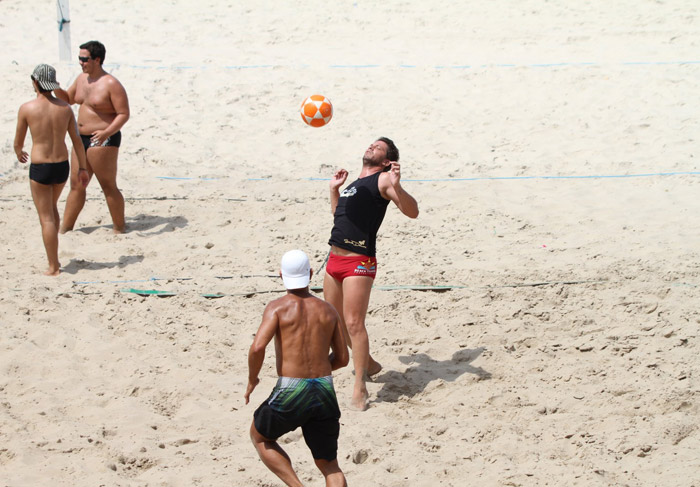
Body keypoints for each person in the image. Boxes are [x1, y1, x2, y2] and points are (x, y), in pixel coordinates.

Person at [323, 137, 419, 411]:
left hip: (359, 262)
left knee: (354, 324)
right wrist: (334, 191)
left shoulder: (385, 180)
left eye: (378, 148)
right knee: (336, 324)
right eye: (371, 145)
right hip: (334, 261)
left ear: (387, 160)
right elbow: (340, 219)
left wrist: (398, 185)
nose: (371, 147)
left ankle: (360, 387)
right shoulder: (353, 186)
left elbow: (413, 213)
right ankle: (372, 364)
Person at [245, 250, 349, 487]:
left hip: (292, 388)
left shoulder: (277, 308)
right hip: (324, 389)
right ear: (311, 274)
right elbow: (343, 359)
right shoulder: (328, 310)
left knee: (260, 437)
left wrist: (253, 379)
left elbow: (257, 347)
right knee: (329, 464)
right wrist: (319, 372)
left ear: (281, 275)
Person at [14, 64, 89, 276]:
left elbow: (18, 143)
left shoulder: (27, 108)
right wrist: (82, 167)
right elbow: (77, 142)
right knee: (53, 208)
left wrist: (19, 153)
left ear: (36, 82)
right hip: (62, 166)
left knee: (46, 217)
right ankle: (54, 257)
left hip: (41, 166)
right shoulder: (65, 108)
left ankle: (53, 266)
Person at [54, 40, 130, 233]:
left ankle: (119, 228)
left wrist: (106, 132)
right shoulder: (81, 79)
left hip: (103, 139)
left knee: (108, 186)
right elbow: (69, 99)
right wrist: (54, 86)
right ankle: (65, 229)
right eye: (79, 58)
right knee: (76, 185)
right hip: (81, 139)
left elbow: (123, 113)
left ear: (97, 59)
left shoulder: (111, 83)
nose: (80, 62)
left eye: (84, 59)